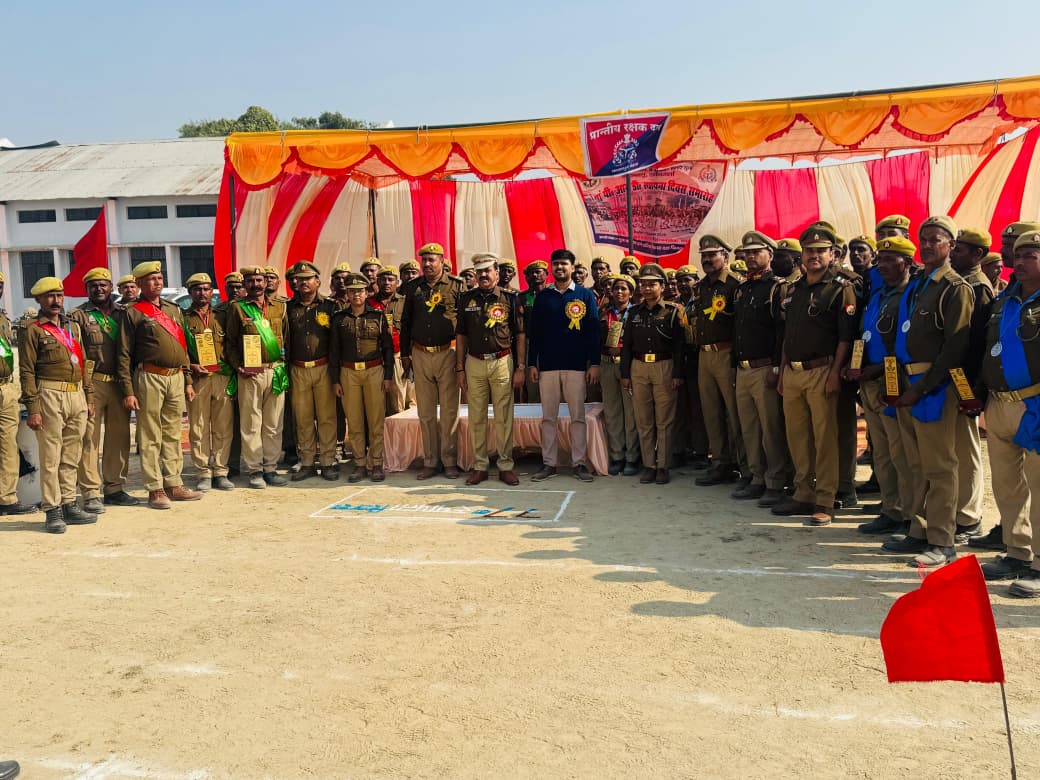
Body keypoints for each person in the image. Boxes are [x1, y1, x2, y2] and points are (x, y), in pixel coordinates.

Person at [879, 216, 973, 568]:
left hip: (933, 386)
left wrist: (921, 388)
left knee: (940, 466)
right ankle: (919, 529)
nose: (929, 245)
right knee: (915, 464)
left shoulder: (954, 287)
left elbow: (955, 347)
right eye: (925, 239)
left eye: (936, 239)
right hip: (906, 383)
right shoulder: (919, 285)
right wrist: (896, 385)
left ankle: (943, 541)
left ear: (951, 245)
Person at [772, 226, 857, 526]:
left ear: (832, 254)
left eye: (821, 250)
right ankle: (803, 493)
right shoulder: (795, 289)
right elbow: (788, 335)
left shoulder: (840, 288)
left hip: (822, 370)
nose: (814, 256)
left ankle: (825, 499)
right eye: (809, 250)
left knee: (825, 439)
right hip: (793, 372)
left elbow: (845, 338)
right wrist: (783, 372)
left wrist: (835, 374)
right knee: (798, 437)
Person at [978, 229, 1040, 596]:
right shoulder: (1004, 300)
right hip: (999, 403)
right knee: (1006, 484)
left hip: (1034, 405)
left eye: (1031, 255)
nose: (1021, 262)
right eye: (1018, 256)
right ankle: (1017, 551)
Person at [845, 238, 918, 536]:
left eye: (891, 260)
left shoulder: (910, 296)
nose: (883, 266)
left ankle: (908, 514)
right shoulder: (878, 295)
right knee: (883, 453)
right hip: (870, 382)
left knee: (902, 453)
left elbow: (908, 345)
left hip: (893, 382)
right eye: (881, 260)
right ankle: (890, 508)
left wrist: (876, 369)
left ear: (908, 263)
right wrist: (856, 366)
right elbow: (865, 336)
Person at [117, 262, 202, 510]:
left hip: (176, 377)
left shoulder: (173, 309)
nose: (157, 282)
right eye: (151, 279)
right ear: (139, 284)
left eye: (160, 278)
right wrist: (128, 391)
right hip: (150, 377)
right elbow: (124, 354)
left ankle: (174, 483)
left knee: (173, 433)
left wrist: (187, 380)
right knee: (150, 434)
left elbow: (183, 348)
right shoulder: (133, 312)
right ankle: (155, 488)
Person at [19, 277, 96, 532]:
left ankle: (69, 503)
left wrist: (89, 396)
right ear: (39, 299)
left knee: (72, 455)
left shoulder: (71, 326)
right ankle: (52, 509)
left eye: (60, 296)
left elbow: (83, 361)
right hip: (50, 394)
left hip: (76, 394)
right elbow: (27, 371)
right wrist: (33, 408)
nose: (56, 301)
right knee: (51, 456)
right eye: (50, 296)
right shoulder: (32, 329)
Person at [527, 248, 600, 482]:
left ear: (572, 267)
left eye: (564, 264)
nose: (559, 267)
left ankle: (579, 463)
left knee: (578, 417)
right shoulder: (543, 297)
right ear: (552, 267)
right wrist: (532, 363)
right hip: (548, 367)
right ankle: (549, 463)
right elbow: (535, 334)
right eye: (556, 263)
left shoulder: (585, 295)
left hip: (576, 366)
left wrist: (594, 363)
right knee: (548, 418)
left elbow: (593, 331)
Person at [70, 267, 137, 510]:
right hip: (93, 383)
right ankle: (91, 492)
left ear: (111, 287)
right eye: (93, 285)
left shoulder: (124, 313)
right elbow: (74, 352)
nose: (99, 289)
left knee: (119, 437)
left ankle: (114, 488)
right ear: (87, 289)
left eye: (103, 284)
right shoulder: (78, 316)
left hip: (120, 382)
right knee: (89, 438)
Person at [456, 254, 525, 485]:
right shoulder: (466, 299)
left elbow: (520, 334)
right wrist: (459, 368)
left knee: (504, 416)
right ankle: (480, 466)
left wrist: (521, 367)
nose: (483, 275)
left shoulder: (510, 298)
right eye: (480, 271)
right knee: (477, 416)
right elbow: (461, 335)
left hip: (502, 361)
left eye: (488, 271)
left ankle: (505, 466)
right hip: (474, 362)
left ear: (497, 273)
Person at [399, 242, 466, 479]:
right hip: (420, 353)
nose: (427, 264)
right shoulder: (413, 288)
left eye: (432, 260)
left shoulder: (457, 286)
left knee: (449, 411)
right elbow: (405, 322)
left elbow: (464, 324)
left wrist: (462, 358)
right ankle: (430, 461)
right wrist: (405, 355)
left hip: (448, 353)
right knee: (425, 412)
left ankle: (449, 461)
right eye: (424, 260)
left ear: (442, 261)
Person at [731, 231, 789, 504]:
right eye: (748, 252)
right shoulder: (743, 289)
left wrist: (776, 368)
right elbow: (737, 331)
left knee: (771, 428)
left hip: (765, 367)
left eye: (757, 252)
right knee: (749, 428)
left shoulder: (777, 287)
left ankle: (775, 481)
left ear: (770, 254)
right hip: (743, 368)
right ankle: (756, 477)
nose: (751, 257)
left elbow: (781, 332)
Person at [224, 265, 290, 489]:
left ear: (265, 282)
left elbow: (286, 338)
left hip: (276, 371)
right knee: (252, 423)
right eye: (250, 281)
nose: (256, 284)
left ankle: (270, 468)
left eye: (259, 280)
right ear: (245, 284)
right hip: (250, 374)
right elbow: (230, 343)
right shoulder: (238, 308)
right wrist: (238, 367)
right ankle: (255, 470)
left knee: (274, 424)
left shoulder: (279, 307)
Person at [950, 228, 995, 540]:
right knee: (954, 447)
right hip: (956, 374)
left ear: (978, 255)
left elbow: (978, 342)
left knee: (966, 448)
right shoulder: (961, 283)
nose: (954, 253)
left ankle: (968, 517)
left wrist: (973, 389)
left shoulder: (979, 287)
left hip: (966, 377)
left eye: (961, 250)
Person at [621, 264, 684, 484]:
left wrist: (677, 374)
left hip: (663, 366)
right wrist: (625, 374)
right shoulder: (634, 312)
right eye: (643, 284)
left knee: (664, 420)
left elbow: (679, 346)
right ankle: (649, 465)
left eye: (652, 284)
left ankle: (663, 465)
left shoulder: (673, 311)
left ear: (662, 286)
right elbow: (626, 346)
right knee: (643, 419)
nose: (647, 288)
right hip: (638, 367)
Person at [692, 234, 746, 487]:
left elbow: (739, 326)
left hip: (727, 354)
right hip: (705, 355)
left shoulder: (735, 284)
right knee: (711, 413)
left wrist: (735, 360)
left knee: (735, 414)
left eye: (712, 255)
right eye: (704, 256)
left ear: (725, 256)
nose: (707, 260)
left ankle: (745, 466)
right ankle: (721, 463)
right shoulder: (702, 286)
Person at [330, 273, 395, 482]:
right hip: (348, 372)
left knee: (376, 420)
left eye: (360, 291)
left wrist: (388, 376)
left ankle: (376, 463)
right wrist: (335, 380)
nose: (356, 295)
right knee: (354, 420)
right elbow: (334, 351)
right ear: (347, 294)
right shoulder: (339, 319)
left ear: (367, 293)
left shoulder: (378, 316)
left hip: (374, 370)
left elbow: (387, 348)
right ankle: (359, 464)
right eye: (352, 291)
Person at [284, 261, 339, 482]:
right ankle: (306, 462)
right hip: (298, 369)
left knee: (326, 418)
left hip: (323, 367)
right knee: (303, 419)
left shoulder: (330, 306)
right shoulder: (288, 308)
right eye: (300, 279)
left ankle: (327, 462)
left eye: (308, 278)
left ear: (318, 281)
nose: (304, 283)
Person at [183, 273, 235, 492]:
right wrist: (191, 367)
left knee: (223, 426)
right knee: (198, 426)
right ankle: (203, 472)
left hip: (222, 376)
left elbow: (233, 343)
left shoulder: (223, 315)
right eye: (197, 289)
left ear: (212, 291)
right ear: (190, 292)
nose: (202, 293)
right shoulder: (183, 317)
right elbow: (180, 350)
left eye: (206, 289)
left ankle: (221, 471)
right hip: (198, 379)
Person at [0, 272, 35, 516]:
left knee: (8, 446)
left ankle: (6, 499)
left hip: (6, 388)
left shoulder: (3, 318)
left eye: (0, 285)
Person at [600, 274, 640, 476]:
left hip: (628, 365)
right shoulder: (604, 313)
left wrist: (623, 350)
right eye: (616, 288)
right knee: (612, 412)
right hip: (607, 364)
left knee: (631, 413)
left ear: (631, 293)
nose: (619, 292)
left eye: (624, 289)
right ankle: (617, 456)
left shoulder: (637, 313)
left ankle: (632, 457)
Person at [214, 271, 245, 478]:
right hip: (226, 371)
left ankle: (256, 462)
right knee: (227, 421)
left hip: (249, 370)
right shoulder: (217, 312)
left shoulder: (251, 309)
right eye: (231, 287)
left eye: (238, 287)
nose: (235, 290)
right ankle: (230, 463)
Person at [367, 266, 409, 414]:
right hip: (375, 358)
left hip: (398, 357)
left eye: (391, 279)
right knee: (376, 404)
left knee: (397, 403)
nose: (386, 283)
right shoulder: (368, 303)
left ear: (397, 282)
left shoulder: (405, 302)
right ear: (377, 281)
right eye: (383, 279)